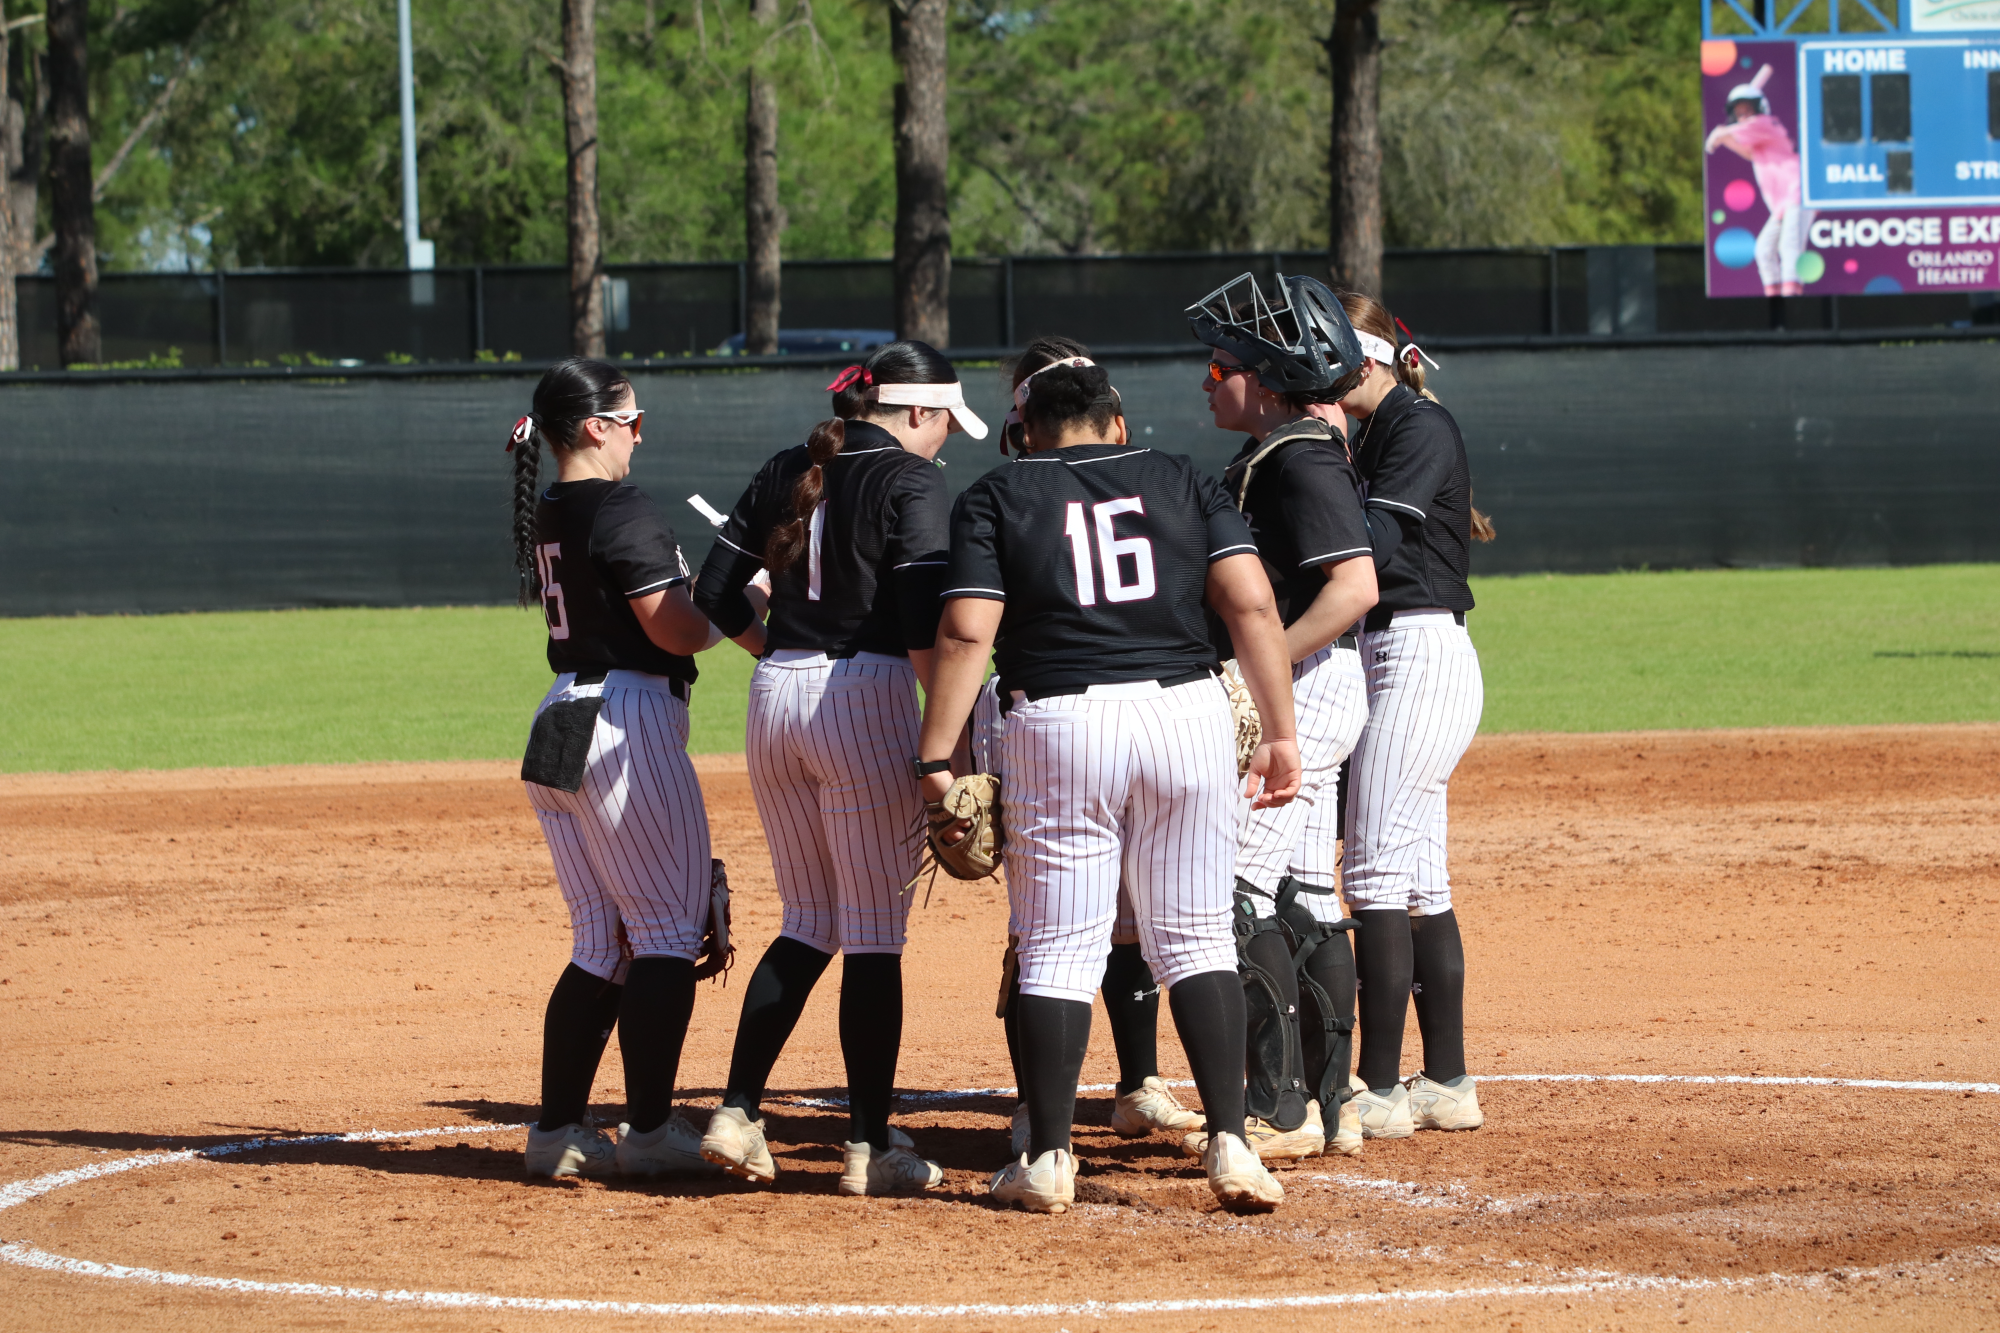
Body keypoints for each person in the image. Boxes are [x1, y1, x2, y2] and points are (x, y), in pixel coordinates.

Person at [917, 356, 1302, 1215]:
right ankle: (1233, 1144)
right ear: (1116, 422)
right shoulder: (1182, 476)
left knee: (1058, 943)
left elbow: (967, 627)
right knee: (1197, 936)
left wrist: (936, 754)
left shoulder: (996, 493)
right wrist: (1280, 729)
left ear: (1027, 431)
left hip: (1061, 720)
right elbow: (1249, 605)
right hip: (1186, 714)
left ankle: (1050, 1157)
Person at [691, 340, 986, 1197]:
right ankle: (868, 1144)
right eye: (944, 425)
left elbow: (714, 594)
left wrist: (778, 650)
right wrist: (952, 747)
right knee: (873, 933)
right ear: (919, 413)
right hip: (868, 695)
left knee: (810, 916)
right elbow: (925, 624)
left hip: (776, 696)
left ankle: (739, 1110)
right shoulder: (912, 479)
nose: (945, 443)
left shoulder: (791, 463)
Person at [510, 357, 756, 1180]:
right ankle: (649, 1131)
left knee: (600, 938)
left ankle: (557, 1132)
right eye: (630, 418)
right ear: (594, 427)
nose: (639, 432)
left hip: (561, 716)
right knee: (664, 934)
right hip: (626, 716)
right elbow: (678, 631)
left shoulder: (554, 502)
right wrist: (751, 591)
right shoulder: (618, 503)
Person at [984, 337, 1206, 1161]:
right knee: (1044, 920)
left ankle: (1138, 1082)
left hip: (1088, 715)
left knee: (1128, 917)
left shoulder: (1039, 487)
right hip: (1040, 701)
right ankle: (1035, 1107)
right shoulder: (1013, 492)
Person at [1179, 273, 1379, 1167]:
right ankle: (1333, 1102)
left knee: (1236, 892)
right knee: (1300, 888)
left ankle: (1278, 1103)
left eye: (1219, 365)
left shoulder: (1297, 453)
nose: (1207, 380)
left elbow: (1355, 586)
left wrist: (1265, 665)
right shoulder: (1291, 446)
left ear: (1262, 377)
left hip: (1302, 690)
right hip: (1311, 688)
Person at [1328, 292, 1488, 1140]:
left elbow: (1379, 549)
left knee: (1377, 875)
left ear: (1366, 357)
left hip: (1416, 653)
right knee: (1421, 877)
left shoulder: (1416, 426)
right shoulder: (1376, 431)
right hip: (1395, 653)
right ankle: (1448, 1081)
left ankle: (1381, 1087)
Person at [1706, 64, 1812, 297]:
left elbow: (1742, 129)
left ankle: (1791, 299)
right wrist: (1722, 138)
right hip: (1782, 206)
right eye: (1739, 110)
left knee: (1789, 247)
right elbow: (1748, 152)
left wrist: (1720, 134)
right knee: (1764, 249)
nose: (1744, 114)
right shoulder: (1757, 138)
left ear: (1759, 107)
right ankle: (1774, 301)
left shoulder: (1766, 124)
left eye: (1748, 108)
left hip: (1799, 194)